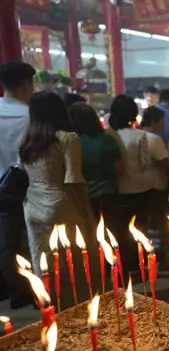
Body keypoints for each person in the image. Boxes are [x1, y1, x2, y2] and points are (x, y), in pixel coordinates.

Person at [20, 92, 97, 309]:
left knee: (41, 259)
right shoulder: (67, 138)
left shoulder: (26, 140)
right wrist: (89, 215)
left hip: (32, 205)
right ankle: (76, 305)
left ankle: (47, 305)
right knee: (73, 258)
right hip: (61, 204)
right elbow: (74, 181)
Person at [111, 96, 169, 271]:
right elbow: (166, 166)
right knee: (146, 229)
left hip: (120, 192)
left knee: (123, 231)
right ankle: (150, 263)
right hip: (147, 191)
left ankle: (129, 266)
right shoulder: (149, 138)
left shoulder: (111, 138)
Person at [0, 61, 35, 308]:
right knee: (34, 239)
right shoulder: (31, 115)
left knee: (7, 242)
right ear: (26, 86)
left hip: (1, 187)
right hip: (29, 186)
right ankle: (39, 291)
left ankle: (16, 293)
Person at [68, 102, 122, 220]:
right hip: (109, 194)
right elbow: (118, 168)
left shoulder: (73, 142)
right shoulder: (108, 139)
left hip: (83, 197)